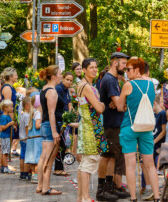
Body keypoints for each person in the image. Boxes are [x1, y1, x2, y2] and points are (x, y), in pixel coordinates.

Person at [116, 57, 158, 202]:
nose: (126, 72)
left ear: (137, 70)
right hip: (146, 127)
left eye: (128, 69)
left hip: (130, 127)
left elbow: (120, 107)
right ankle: (157, 196)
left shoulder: (128, 85)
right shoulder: (151, 83)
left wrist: (128, 106)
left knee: (130, 165)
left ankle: (133, 197)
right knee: (150, 164)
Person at [97, 52, 130, 201]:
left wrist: (121, 102)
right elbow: (119, 105)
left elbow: (119, 103)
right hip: (111, 124)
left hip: (115, 123)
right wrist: (121, 103)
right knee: (106, 156)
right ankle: (101, 189)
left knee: (112, 157)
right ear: (115, 63)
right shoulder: (109, 80)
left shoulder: (114, 79)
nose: (125, 66)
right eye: (123, 63)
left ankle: (110, 187)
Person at [76, 58, 108, 202]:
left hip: (88, 126)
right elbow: (100, 108)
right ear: (84, 70)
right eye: (91, 68)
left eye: (96, 67)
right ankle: (85, 196)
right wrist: (102, 104)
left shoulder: (84, 85)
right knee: (88, 163)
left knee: (85, 164)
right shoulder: (87, 87)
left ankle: (81, 197)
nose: (95, 70)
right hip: (91, 128)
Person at [36, 65, 63, 196]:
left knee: (43, 157)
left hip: (45, 124)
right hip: (50, 125)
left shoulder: (44, 89)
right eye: (60, 74)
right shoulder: (52, 91)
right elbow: (51, 112)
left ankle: (40, 185)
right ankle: (46, 187)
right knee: (49, 158)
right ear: (53, 76)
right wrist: (54, 132)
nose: (61, 76)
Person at [53, 72, 74, 176]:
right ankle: (58, 168)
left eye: (71, 80)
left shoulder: (66, 90)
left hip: (64, 118)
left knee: (64, 144)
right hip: (59, 118)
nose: (69, 82)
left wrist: (71, 110)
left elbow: (69, 102)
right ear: (63, 79)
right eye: (67, 80)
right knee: (60, 144)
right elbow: (59, 103)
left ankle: (60, 167)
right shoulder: (59, 89)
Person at [1, 67, 19, 157]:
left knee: (9, 142)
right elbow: (9, 106)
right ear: (11, 76)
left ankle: (5, 163)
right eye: (16, 75)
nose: (17, 76)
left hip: (11, 116)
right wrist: (13, 122)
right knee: (6, 142)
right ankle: (4, 164)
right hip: (7, 118)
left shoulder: (11, 87)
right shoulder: (7, 88)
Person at [25, 91, 42, 184]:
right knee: (38, 158)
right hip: (37, 138)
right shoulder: (38, 113)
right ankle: (36, 176)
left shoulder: (32, 112)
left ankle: (33, 175)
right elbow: (38, 125)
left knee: (32, 159)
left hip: (32, 138)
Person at [0, 99, 16, 174]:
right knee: (5, 153)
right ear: (5, 108)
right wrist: (9, 124)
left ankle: (3, 167)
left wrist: (13, 126)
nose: (12, 108)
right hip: (4, 137)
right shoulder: (3, 117)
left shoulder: (8, 116)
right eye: (11, 107)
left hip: (7, 136)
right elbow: (2, 128)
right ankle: (5, 167)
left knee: (4, 152)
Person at [19, 97, 31, 180]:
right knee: (26, 156)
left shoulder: (23, 115)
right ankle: (26, 172)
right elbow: (27, 127)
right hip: (25, 139)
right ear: (27, 106)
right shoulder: (27, 116)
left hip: (22, 138)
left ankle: (22, 172)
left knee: (22, 156)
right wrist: (28, 137)